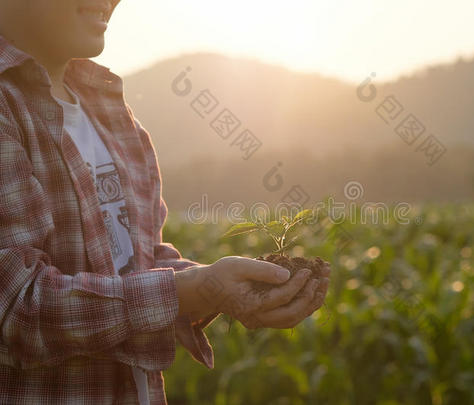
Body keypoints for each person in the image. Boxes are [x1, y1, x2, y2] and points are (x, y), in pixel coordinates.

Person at [0, 1, 330, 403]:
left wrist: (216, 287)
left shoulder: (112, 114)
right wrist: (191, 289)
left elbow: (139, 259)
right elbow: (17, 307)